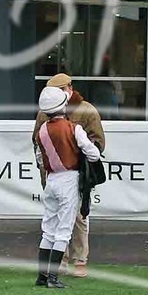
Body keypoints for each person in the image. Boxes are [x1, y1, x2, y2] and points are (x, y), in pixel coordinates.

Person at [31, 72, 106, 277]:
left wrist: (77, 155)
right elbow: (37, 142)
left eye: (59, 90)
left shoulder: (86, 111)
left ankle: (79, 260)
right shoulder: (47, 115)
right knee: (58, 221)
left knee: (78, 217)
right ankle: (60, 263)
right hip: (59, 174)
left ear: (69, 89)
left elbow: (98, 142)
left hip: (75, 173)